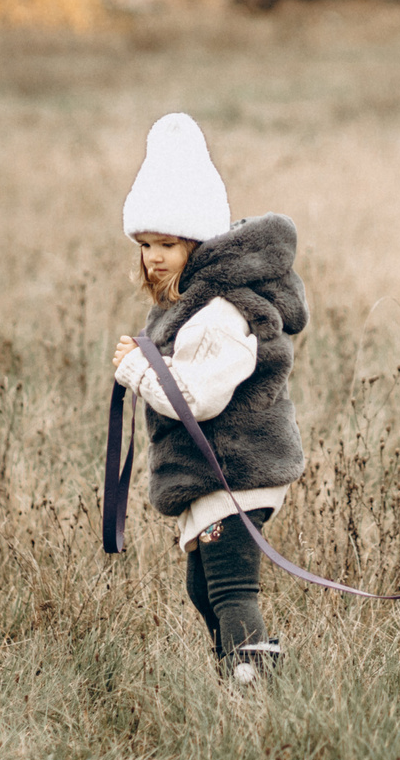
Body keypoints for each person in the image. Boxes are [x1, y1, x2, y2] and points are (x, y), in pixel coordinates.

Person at [112, 114, 308, 682]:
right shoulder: (190, 303)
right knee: (204, 587)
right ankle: (245, 664)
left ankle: (250, 682)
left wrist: (139, 371)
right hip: (219, 475)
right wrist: (152, 358)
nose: (153, 256)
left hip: (239, 473)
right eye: (145, 243)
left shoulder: (223, 312)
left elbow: (198, 398)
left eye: (167, 243)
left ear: (198, 242)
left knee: (229, 586)